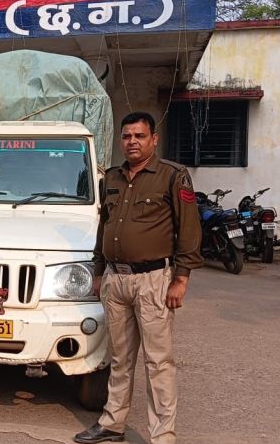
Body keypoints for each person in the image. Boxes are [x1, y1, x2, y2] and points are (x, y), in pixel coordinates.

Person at [74, 112, 203, 444]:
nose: (132, 142)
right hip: (116, 280)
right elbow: (104, 227)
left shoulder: (172, 176)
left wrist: (181, 278)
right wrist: (99, 271)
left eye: (139, 136)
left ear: (154, 139)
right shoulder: (111, 178)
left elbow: (189, 230)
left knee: (158, 362)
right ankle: (112, 423)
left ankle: (163, 436)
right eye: (127, 136)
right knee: (119, 358)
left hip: (153, 280)